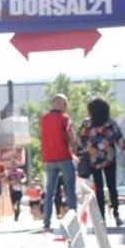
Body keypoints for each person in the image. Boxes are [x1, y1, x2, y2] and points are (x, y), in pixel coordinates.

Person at [79, 97, 125, 227]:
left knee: (99, 189)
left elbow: (81, 141)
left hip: (94, 160)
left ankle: (102, 218)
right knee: (112, 187)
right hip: (109, 159)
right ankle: (116, 214)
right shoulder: (110, 123)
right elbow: (121, 142)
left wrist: (86, 151)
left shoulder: (86, 124)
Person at [39, 94, 78, 231]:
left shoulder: (43, 119)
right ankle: (74, 219)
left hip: (49, 159)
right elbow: (72, 138)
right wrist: (74, 143)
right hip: (64, 157)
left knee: (50, 191)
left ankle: (46, 222)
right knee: (70, 189)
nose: (66, 106)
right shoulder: (64, 118)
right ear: (59, 104)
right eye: (64, 103)